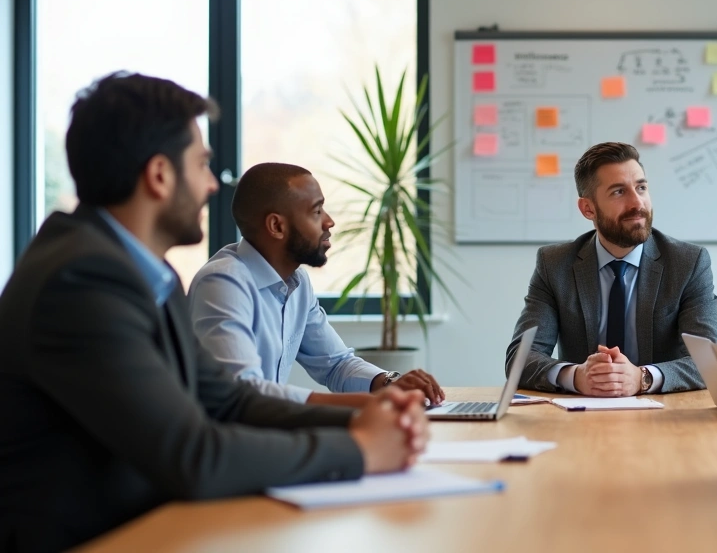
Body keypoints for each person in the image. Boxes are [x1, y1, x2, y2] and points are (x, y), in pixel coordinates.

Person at [0, 72, 429, 552]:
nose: (210, 185)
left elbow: (227, 400)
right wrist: (360, 449)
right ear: (160, 175)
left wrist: (370, 421)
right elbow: (193, 454)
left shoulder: (140, 270)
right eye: (202, 164)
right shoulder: (80, 280)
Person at [188, 162, 445, 408]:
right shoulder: (223, 283)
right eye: (317, 211)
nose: (329, 222)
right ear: (277, 226)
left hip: (268, 435)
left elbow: (336, 364)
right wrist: (368, 404)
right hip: (228, 446)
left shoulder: (297, 283)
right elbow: (243, 391)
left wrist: (390, 383)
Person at [506, 142, 717, 396]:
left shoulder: (687, 262)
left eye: (641, 187)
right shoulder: (555, 264)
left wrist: (642, 377)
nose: (637, 203)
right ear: (588, 209)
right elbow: (520, 360)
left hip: (666, 416)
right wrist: (577, 376)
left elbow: (710, 360)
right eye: (619, 192)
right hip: (580, 417)